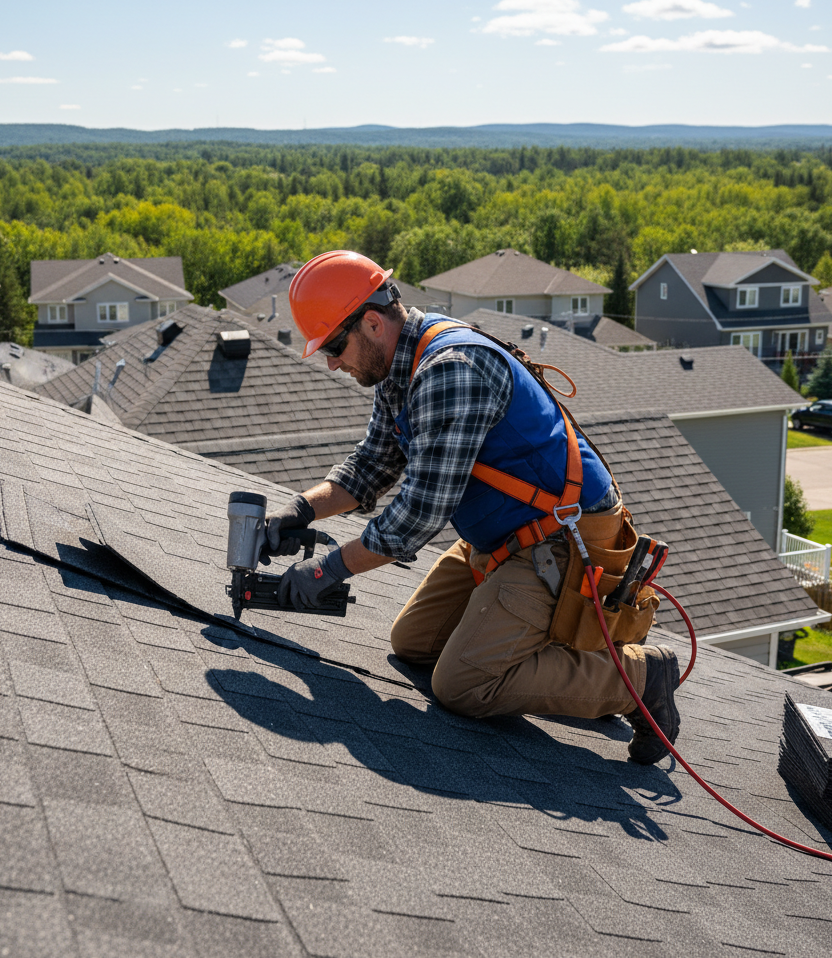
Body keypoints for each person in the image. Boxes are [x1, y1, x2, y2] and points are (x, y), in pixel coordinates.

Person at [268, 250, 680, 764]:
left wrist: (326, 569)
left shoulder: (449, 370)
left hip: (559, 543)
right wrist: (299, 510)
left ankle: (643, 677)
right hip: (503, 536)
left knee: (463, 685)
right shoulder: (402, 362)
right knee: (414, 642)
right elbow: (374, 464)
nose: (331, 361)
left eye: (333, 346)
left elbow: (416, 516)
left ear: (372, 322)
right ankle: (563, 655)